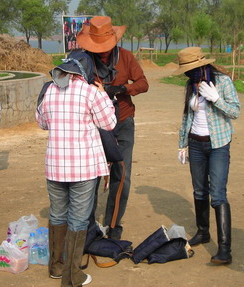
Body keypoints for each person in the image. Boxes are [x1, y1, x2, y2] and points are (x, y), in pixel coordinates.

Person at [36, 51, 116, 286]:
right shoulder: (91, 92)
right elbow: (109, 123)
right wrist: (104, 95)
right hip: (83, 168)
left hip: (55, 166)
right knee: (78, 220)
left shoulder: (49, 90)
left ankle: (56, 267)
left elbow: (41, 122)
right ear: (85, 71)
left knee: (57, 214)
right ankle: (73, 276)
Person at [77, 16, 149, 240]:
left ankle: (113, 224)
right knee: (92, 176)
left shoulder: (126, 57)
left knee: (122, 175)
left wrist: (121, 89)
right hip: (96, 124)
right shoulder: (84, 60)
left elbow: (143, 83)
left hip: (123, 121)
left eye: (106, 47)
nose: (102, 51)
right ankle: (87, 226)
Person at [175, 47, 240, 264]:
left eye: (192, 69)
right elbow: (187, 116)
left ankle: (225, 250)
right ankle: (203, 232)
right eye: (187, 71)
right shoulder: (190, 85)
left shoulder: (222, 82)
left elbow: (235, 111)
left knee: (218, 193)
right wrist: (182, 144)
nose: (189, 74)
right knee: (199, 191)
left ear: (203, 65)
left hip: (218, 144)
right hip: (195, 144)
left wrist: (216, 99)